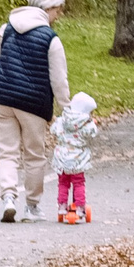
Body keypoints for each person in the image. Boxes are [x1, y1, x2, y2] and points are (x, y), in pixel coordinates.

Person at [0, 0, 70, 223]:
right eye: (56, 10)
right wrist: (66, 108)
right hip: (32, 102)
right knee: (34, 155)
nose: (58, 15)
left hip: (0, 98)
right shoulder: (51, 38)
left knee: (7, 152)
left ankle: (9, 197)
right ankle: (31, 206)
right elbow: (58, 79)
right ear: (46, 8)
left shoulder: (6, 28)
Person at [51, 92, 101, 224]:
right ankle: (80, 208)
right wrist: (93, 124)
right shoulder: (86, 123)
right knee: (78, 183)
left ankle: (62, 206)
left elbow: (53, 130)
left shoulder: (62, 119)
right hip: (77, 159)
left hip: (62, 158)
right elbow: (93, 134)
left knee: (63, 183)